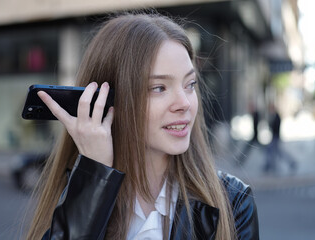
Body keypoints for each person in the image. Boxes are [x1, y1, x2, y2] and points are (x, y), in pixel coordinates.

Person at [25, 13, 259, 240]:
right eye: (158, 88)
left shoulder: (234, 202)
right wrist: (95, 171)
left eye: (190, 84)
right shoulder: (78, 189)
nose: (184, 103)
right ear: (107, 101)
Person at [263, 103, 297, 174]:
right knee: (274, 152)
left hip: (276, 138)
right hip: (274, 138)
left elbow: (275, 127)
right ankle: (270, 166)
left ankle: (291, 162)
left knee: (278, 153)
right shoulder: (274, 116)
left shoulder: (277, 116)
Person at [236, 102, 261, 166]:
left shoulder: (256, 114)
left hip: (255, 137)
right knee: (246, 150)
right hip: (254, 137)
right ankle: (239, 160)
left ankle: (239, 160)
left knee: (267, 150)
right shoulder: (254, 114)